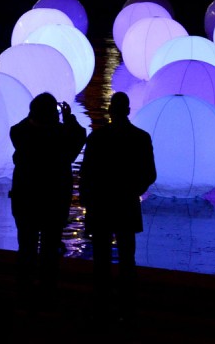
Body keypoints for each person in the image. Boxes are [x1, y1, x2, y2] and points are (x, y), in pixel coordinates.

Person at [78, 91, 155, 300]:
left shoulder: (97, 138)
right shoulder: (141, 138)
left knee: (100, 257)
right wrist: (133, 191)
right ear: (128, 111)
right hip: (126, 203)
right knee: (127, 256)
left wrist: (88, 200)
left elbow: (86, 173)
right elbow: (150, 173)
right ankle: (126, 299)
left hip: (101, 204)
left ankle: (101, 299)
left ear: (110, 110)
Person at [8, 92, 86, 290]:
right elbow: (79, 135)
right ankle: (47, 289)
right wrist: (68, 117)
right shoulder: (62, 136)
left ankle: (23, 288)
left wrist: (34, 116)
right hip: (54, 201)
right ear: (54, 114)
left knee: (26, 247)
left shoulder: (21, 134)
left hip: (26, 200)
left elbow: (17, 128)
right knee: (50, 249)